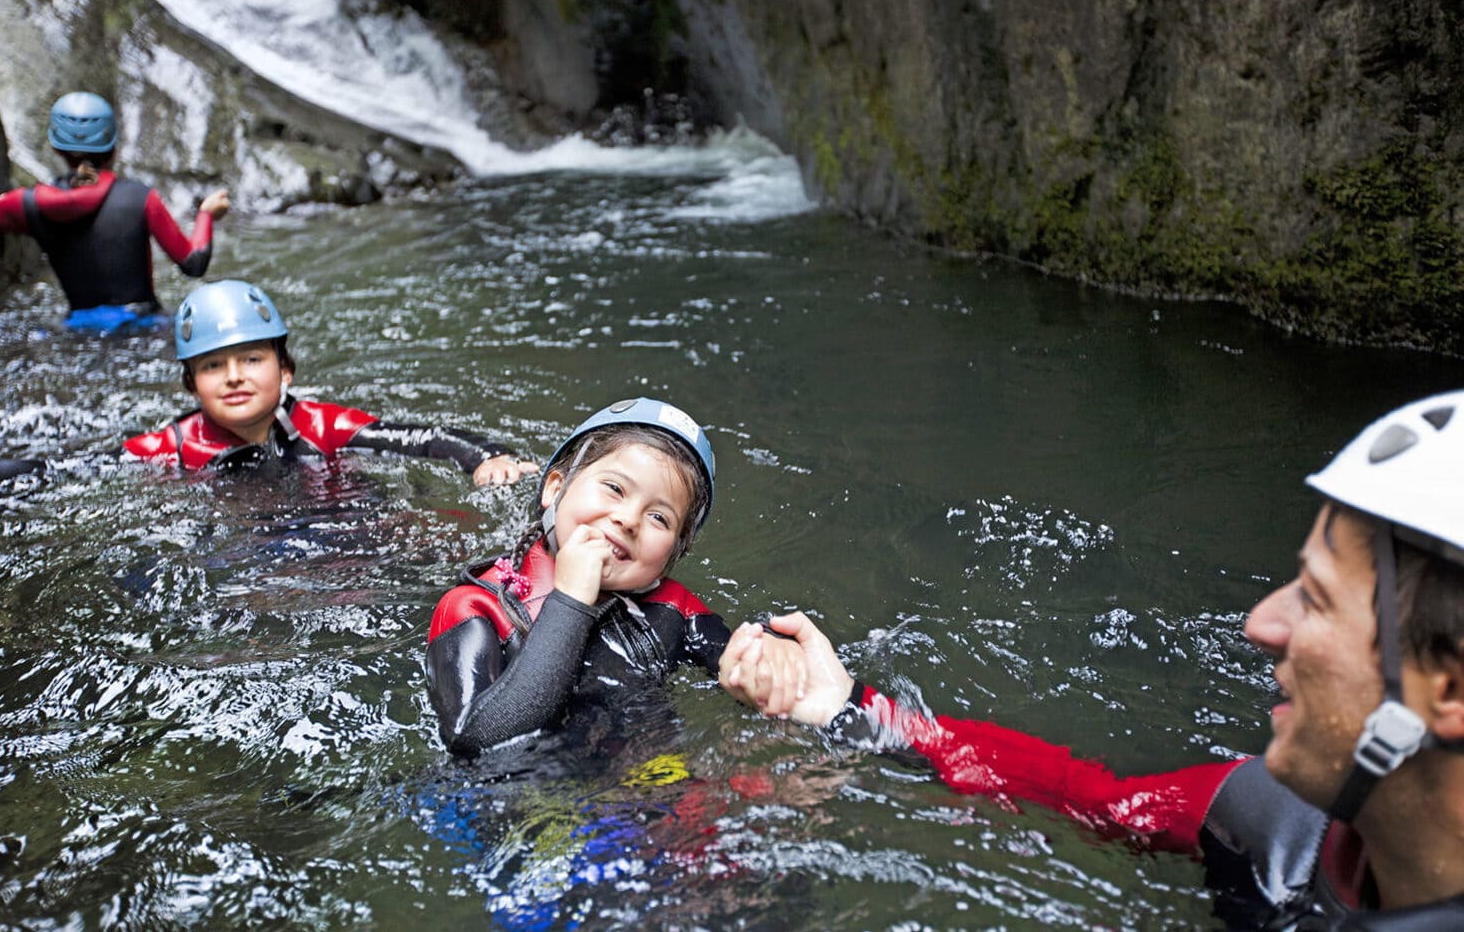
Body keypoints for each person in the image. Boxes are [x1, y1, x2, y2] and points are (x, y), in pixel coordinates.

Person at [722, 390, 1464, 930]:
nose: (1263, 622)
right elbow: (1093, 798)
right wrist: (850, 708)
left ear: (1450, 687)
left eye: (1317, 598)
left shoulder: (1276, 830)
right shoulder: (1267, 819)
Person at [425, 396, 805, 759]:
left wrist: (772, 655)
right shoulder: (477, 606)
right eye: (615, 488)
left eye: (659, 517)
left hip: (646, 792)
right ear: (555, 488)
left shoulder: (673, 609)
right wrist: (571, 601)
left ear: (673, 554)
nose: (628, 519)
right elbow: (473, 739)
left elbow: (743, 663)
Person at [117, 279, 536, 484]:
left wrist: (487, 456)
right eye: (212, 366)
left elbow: (420, 438)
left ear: (285, 371)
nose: (233, 377)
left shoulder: (324, 427)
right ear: (191, 385)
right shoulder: (169, 448)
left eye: (251, 359)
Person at [0, 91, 230, 331]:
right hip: (144, 328)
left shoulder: (26, 205)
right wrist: (206, 214)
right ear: (114, 148)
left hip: (78, 333)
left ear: (55, 148)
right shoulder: (141, 198)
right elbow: (193, 264)